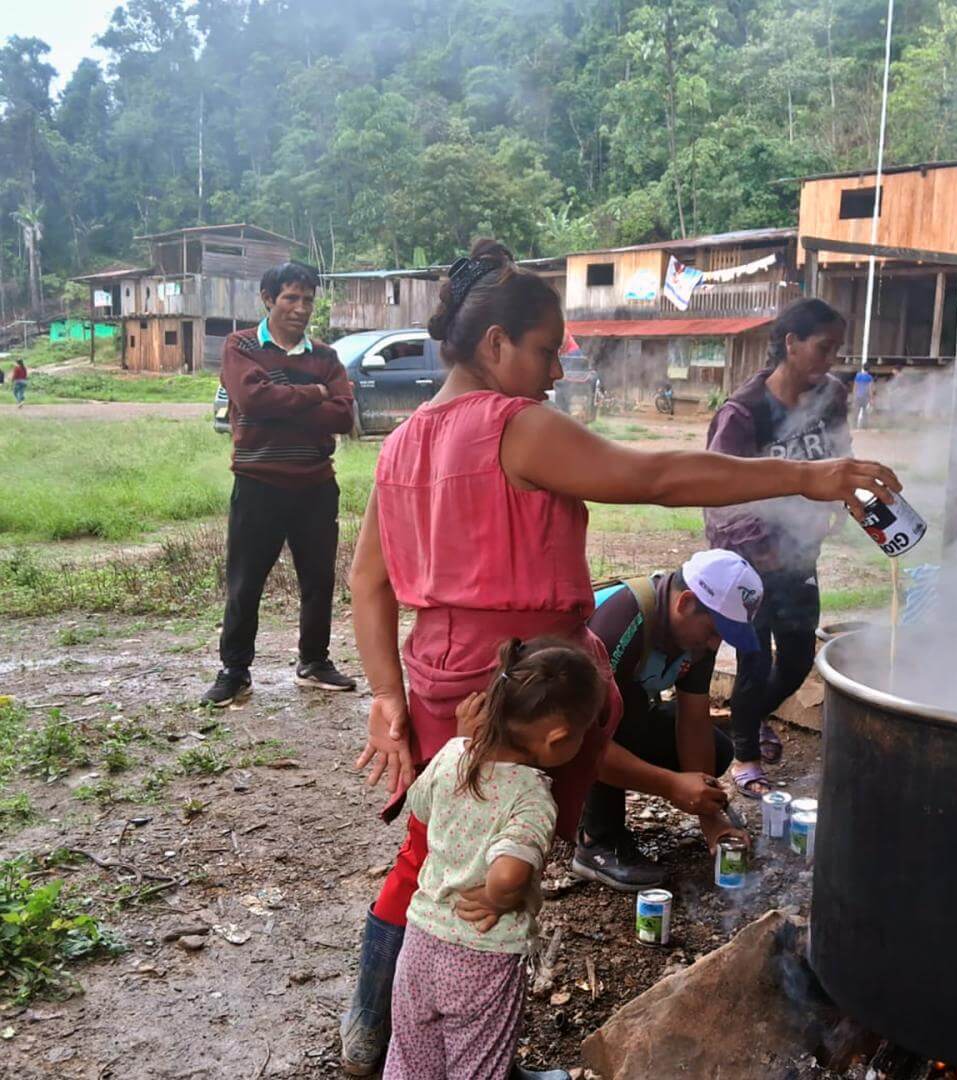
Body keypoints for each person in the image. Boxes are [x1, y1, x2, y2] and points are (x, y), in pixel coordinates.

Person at [340, 239, 899, 1076]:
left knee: (432, 857)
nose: (555, 370)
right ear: (494, 345)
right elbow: (659, 475)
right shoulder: (511, 427)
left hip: (437, 683)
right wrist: (809, 478)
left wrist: (388, 694)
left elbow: (369, 584)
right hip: (525, 691)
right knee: (499, 875)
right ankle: (461, 1049)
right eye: (543, 349)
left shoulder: (403, 442)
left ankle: (382, 1034)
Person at [385, 636, 605, 1080]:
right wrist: (497, 896)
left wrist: (461, 745)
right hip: (481, 958)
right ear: (559, 738)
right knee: (478, 1066)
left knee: (411, 1059)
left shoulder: (452, 754)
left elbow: (422, 808)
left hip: (421, 942)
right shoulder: (532, 796)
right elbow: (508, 875)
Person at [704, 298, 853, 797]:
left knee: (794, 659)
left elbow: (838, 455)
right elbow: (715, 491)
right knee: (753, 661)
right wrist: (758, 550)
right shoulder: (744, 412)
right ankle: (744, 754)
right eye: (823, 347)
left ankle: (749, 720)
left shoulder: (829, 396)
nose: (830, 359)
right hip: (747, 561)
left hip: (799, 554)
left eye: (836, 349)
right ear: (790, 343)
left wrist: (844, 499)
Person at [201, 262, 359, 708]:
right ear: (269, 299)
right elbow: (252, 398)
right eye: (291, 298)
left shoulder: (326, 357)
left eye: (307, 299)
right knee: (245, 582)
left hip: (315, 485)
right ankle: (235, 670)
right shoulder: (242, 346)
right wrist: (313, 396)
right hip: (258, 484)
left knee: (318, 580)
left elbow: (344, 416)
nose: (301, 308)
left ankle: (314, 661)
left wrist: (282, 400)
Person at [573, 549, 761, 890]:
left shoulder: (697, 635)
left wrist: (709, 817)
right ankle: (595, 840)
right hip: (560, 732)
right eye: (715, 630)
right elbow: (585, 743)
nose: (717, 643)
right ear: (686, 602)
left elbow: (693, 721)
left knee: (718, 749)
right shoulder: (619, 623)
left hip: (613, 716)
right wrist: (671, 785)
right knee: (618, 720)